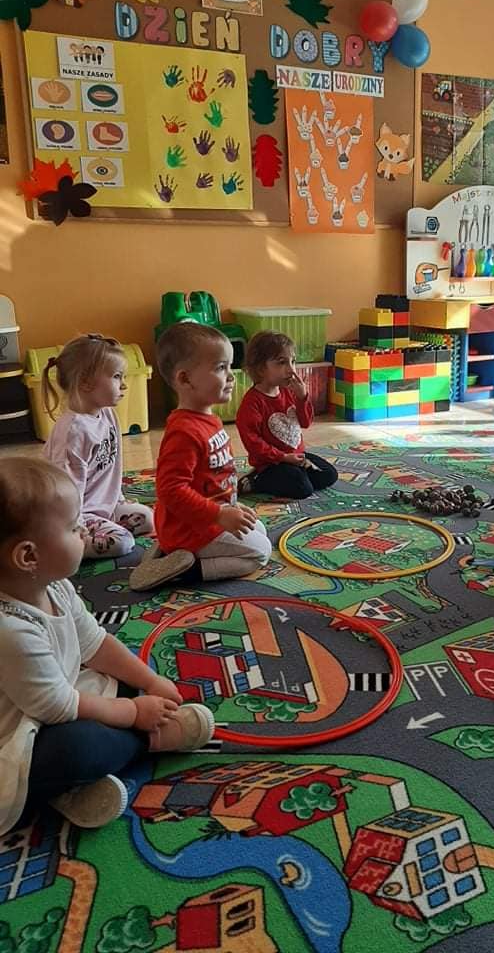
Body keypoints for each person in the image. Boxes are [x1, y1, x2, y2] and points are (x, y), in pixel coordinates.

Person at [0, 458, 215, 834]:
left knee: (126, 678)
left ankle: (73, 786)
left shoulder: (56, 587)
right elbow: (58, 707)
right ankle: (146, 742)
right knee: (77, 749)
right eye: (72, 527)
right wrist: (135, 715)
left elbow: (97, 644)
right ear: (29, 556)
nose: (84, 529)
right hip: (18, 737)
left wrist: (148, 682)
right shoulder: (10, 630)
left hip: (55, 697)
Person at [129, 322, 272, 592]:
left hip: (207, 519)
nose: (230, 376)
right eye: (220, 368)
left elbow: (212, 477)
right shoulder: (184, 432)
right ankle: (186, 570)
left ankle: (170, 553)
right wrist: (219, 514)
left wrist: (229, 507)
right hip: (192, 528)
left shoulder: (209, 419)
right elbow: (170, 490)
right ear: (185, 379)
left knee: (259, 529)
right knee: (260, 552)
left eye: (229, 366)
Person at [42, 334, 154, 561]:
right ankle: (66, 548)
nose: (124, 384)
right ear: (85, 383)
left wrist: (119, 499)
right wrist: (76, 527)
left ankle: (102, 525)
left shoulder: (107, 414)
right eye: (116, 376)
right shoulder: (73, 432)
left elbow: (109, 466)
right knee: (123, 543)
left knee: (147, 518)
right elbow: (65, 491)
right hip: (73, 514)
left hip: (103, 505)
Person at [236, 331, 338, 499]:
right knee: (303, 489)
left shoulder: (289, 392)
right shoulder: (252, 403)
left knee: (329, 475)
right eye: (282, 362)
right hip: (271, 463)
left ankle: (293, 476)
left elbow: (306, 422)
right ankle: (256, 480)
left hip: (296, 457)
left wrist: (302, 397)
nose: (291, 369)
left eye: (293, 361)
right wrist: (283, 457)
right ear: (261, 368)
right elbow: (254, 444)